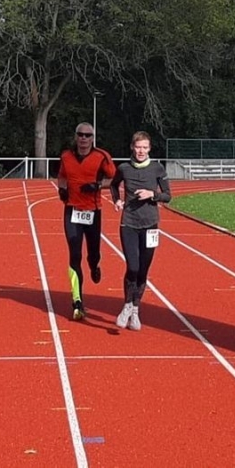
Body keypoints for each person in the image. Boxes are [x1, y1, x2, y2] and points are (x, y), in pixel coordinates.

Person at [109, 131, 171, 331]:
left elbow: (168, 196)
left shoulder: (157, 168)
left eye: (145, 147)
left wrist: (152, 194)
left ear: (150, 148)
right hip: (129, 224)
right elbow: (113, 184)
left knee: (143, 270)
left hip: (151, 225)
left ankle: (135, 310)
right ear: (132, 148)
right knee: (133, 267)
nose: (141, 151)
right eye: (138, 147)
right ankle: (127, 305)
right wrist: (117, 200)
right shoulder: (124, 168)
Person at [57, 122, 116, 321]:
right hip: (72, 211)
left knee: (93, 253)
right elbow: (62, 176)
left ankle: (94, 265)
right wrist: (62, 189)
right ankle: (77, 301)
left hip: (93, 212)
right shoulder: (66, 156)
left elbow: (113, 179)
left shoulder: (101, 157)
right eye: (80, 135)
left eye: (87, 135)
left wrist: (98, 185)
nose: (83, 139)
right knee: (74, 254)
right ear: (75, 136)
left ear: (93, 138)